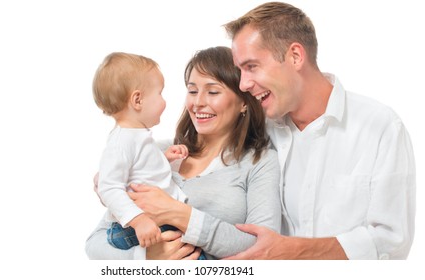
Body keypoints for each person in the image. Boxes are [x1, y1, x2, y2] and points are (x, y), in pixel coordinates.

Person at [220, 2, 416, 260]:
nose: (244, 84)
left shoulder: (379, 126)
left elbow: (393, 241)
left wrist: (293, 252)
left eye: (252, 66)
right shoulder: (258, 131)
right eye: (240, 70)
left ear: (295, 56)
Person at [85, 46, 281, 260]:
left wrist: (179, 214)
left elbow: (265, 249)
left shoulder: (259, 162)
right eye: (192, 90)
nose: (198, 103)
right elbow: (96, 242)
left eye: (213, 91)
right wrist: (146, 260)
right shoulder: (154, 152)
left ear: (244, 101)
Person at [92, 52, 194, 259]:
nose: (164, 101)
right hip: (137, 227)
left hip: (152, 220)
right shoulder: (122, 141)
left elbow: (141, 171)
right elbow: (109, 187)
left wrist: (165, 159)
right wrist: (139, 220)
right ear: (137, 100)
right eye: (160, 93)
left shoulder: (138, 136)